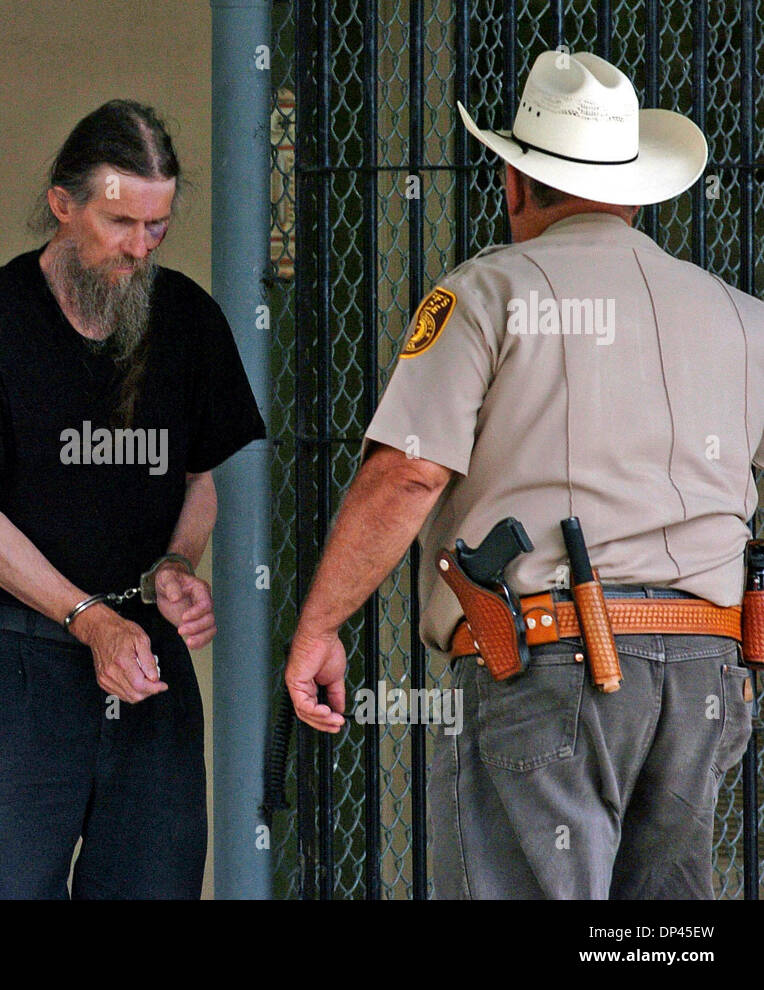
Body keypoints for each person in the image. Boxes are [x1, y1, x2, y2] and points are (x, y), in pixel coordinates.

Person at [284, 50, 760, 899]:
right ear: (636, 189)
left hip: (552, 665)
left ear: (514, 181)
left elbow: (407, 477)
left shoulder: (490, 292)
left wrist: (322, 625)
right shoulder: (739, 316)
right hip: (706, 675)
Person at [0, 100, 266, 899]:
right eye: (118, 222)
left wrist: (177, 564)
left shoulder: (189, 320)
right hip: (15, 668)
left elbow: (202, 481)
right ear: (63, 206)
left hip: (146, 667)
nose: (139, 247)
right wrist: (87, 618)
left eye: (157, 226)